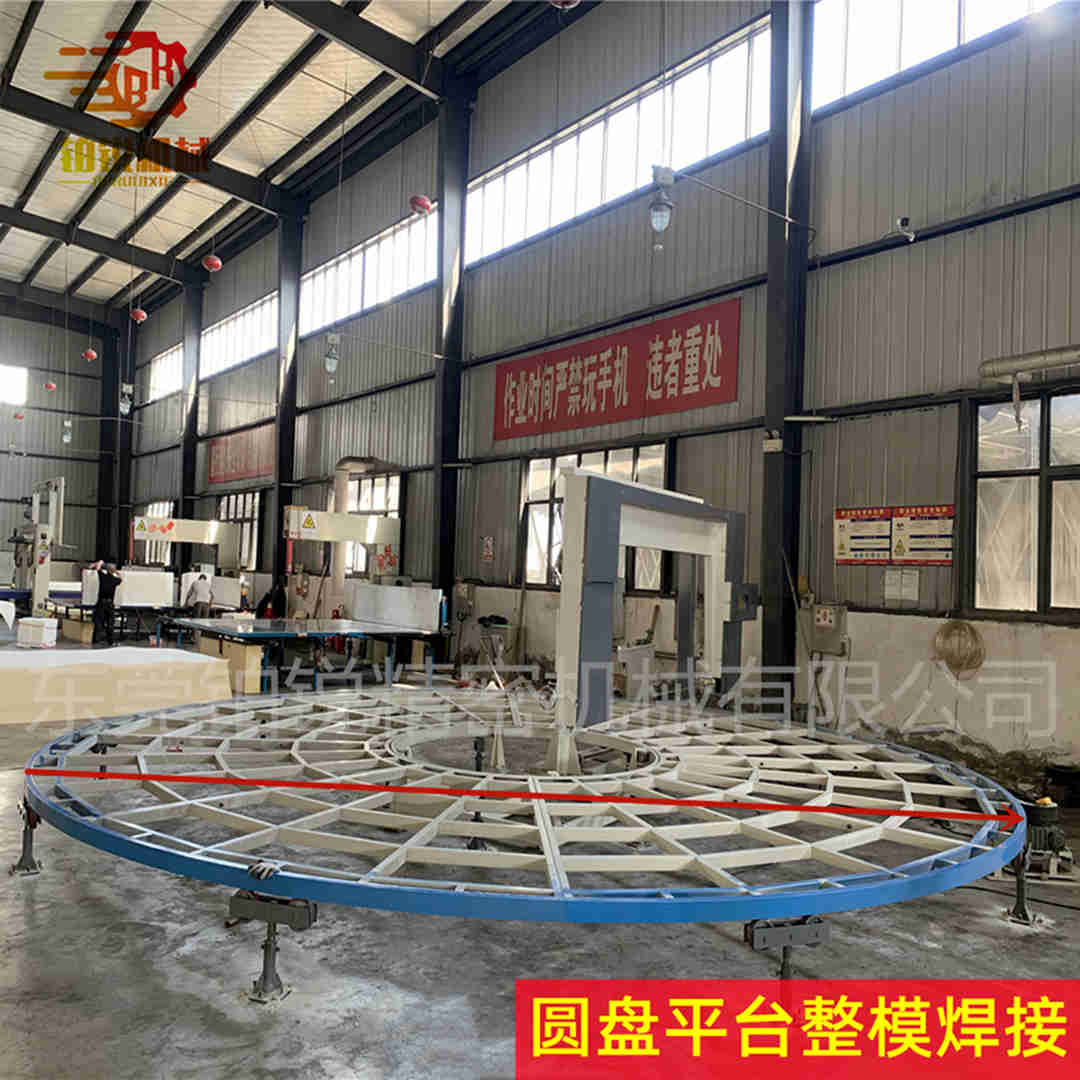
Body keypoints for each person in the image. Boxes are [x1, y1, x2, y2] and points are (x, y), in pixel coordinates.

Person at [89, 559, 121, 647]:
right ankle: (110, 641)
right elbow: (121, 578)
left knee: (98, 622)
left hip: (101, 602)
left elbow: (98, 568)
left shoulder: (102, 576)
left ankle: (95, 640)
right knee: (110, 623)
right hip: (110, 604)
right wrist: (116, 572)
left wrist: (100, 563)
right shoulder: (115, 580)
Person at [184, 573, 214, 645]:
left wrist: (186, 603)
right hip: (206, 604)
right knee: (204, 623)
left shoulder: (195, 582)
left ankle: (193, 639)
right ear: (205, 579)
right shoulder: (208, 584)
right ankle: (204, 640)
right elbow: (212, 596)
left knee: (195, 621)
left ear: (199, 578)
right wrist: (210, 605)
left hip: (198, 603)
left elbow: (189, 594)